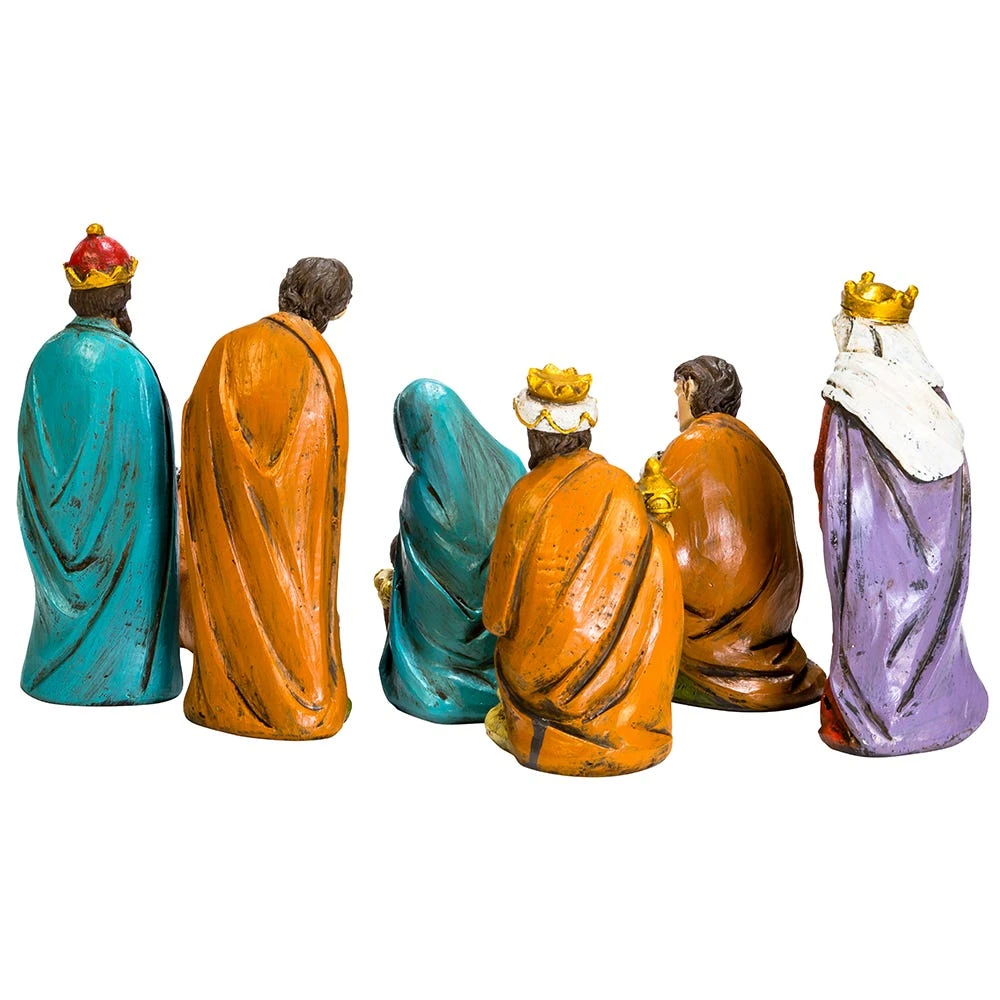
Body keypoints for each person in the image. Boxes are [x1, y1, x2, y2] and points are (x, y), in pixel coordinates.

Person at [180, 257, 352, 739]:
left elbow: (194, 431)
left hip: (225, 524)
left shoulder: (227, 347)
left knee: (230, 592)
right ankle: (301, 699)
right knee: (295, 605)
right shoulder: (320, 365)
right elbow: (325, 480)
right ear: (334, 310)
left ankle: (224, 697)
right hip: (295, 534)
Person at [816, 273, 988, 755]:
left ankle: (874, 715)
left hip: (872, 559)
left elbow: (837, 487)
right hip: (937, 561)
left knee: (872, 627)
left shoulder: (849, 397)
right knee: (924, 629)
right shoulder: (933, 397)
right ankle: (936, 705)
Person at [482, 364, 683, 776]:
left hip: (539, 685)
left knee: (505, 657)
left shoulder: (525, 496)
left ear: (536, 436)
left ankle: (538, 729)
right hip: (622, 683)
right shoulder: (622, 486)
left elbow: (496, 618)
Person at [18, 224, 182, 705]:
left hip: (54, 540)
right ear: (123, 295)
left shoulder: (44, 359)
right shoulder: (131, 366)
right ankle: (128, 672)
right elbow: (150, 492)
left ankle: (58, 669)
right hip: (126, 562)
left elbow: (31, 467)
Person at [658, 355, 824, 710]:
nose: (675, 412)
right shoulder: (756, 445)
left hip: (716, 631)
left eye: (678, 396)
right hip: (771, 626)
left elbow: (662, 534)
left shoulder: (691, 444)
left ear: (690, 389)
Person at [377, 378, 525, 723]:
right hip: (501, 634)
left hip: (440, 651)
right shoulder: (512, 465)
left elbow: (415, 576)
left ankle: (445, 686)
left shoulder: (421, 493)